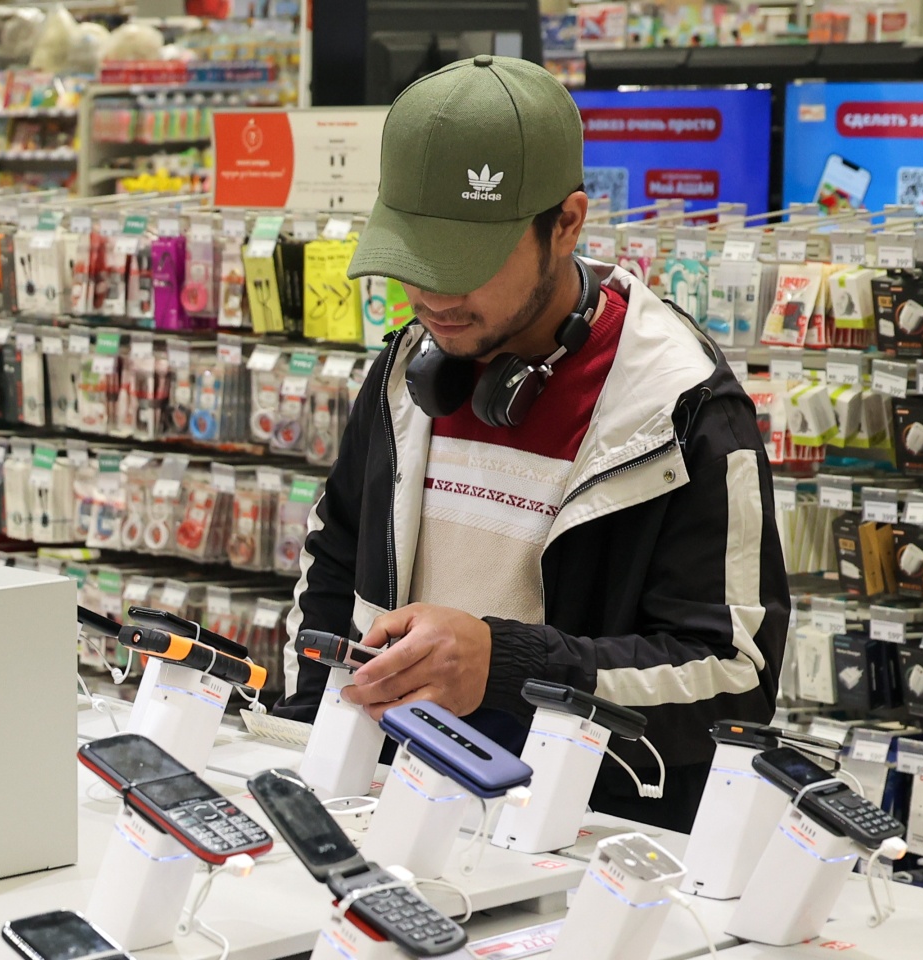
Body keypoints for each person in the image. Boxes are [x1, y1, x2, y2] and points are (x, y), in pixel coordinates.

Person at [271, 55, 790, 831]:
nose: (435, 295)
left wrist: (507, 667)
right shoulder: (405, 370)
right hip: (384, 803)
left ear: (568, 223)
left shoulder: (681, 409)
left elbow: (732, 675)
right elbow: (335, 559)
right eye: (415, 258)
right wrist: (312, 733)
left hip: (575, 831)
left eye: (468, 263)